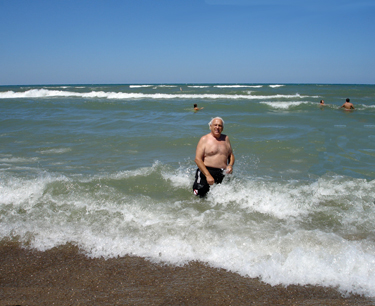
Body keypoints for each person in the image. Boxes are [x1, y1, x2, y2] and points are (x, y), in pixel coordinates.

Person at [193, 117, 235, 197]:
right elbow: (197, 159)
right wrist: (208, 175)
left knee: (219, 198)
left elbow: (231, 155)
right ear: (210, 126)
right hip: (206, 172)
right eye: (215, 125)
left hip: (222, 173)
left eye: (220, 125)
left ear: (222, 128)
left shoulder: (226, 138)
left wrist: (230, 165)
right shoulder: (204, 139)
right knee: (199, 197)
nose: (217, 127)